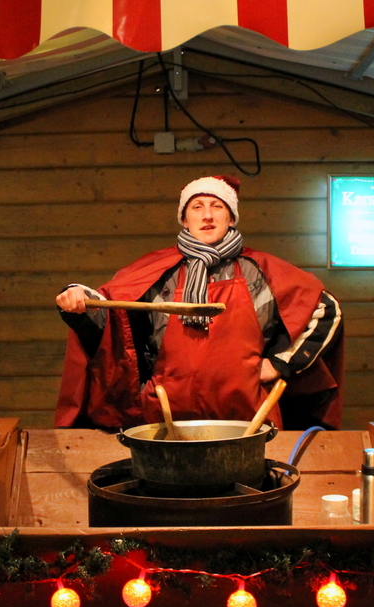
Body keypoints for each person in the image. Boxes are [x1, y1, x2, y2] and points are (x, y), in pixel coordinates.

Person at [54, 175, 344, 432]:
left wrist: (282, 364)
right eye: (197, 207)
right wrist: (80, 296)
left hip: (250, 420)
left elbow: (325, 309)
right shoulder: (155, 272)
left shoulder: (263, 272)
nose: (207, 215)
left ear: (231, 218)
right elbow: (111, 317)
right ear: (184, 219)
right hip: (163, 419)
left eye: (217, 206)